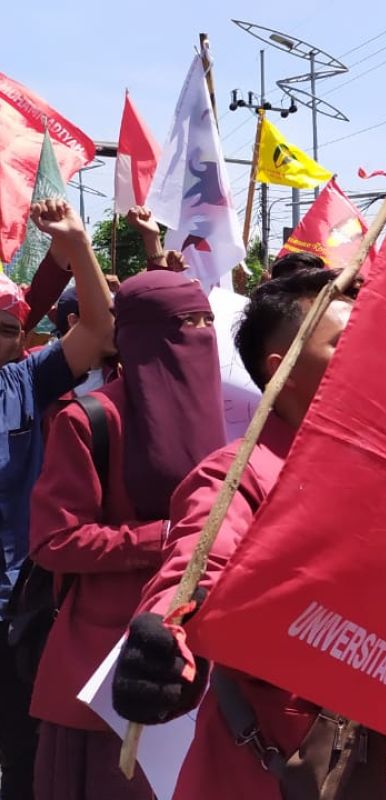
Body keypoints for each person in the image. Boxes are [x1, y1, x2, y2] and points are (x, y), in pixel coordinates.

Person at [110, 269, 386, 799]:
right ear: (282, 369)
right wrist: (166, 640)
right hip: (281, 763)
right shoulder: (240, 472)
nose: (376, 355)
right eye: (345, 342)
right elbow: (198, 560)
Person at [28, 271, 225, 799]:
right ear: (136, 335)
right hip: (105, 674)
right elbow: (53, 542)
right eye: (186, 323)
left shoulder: (231, 419)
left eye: (208, 322)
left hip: (196, 664)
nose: (201, 334)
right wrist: (166, 538)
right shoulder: (91, 419)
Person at [0, 200, 114, 800]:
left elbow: (97, 329)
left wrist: (77, 244)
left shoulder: (23, 380)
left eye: (8, 326)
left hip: (15, 610)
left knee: (21, 755)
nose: (1, 334)